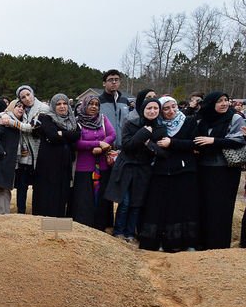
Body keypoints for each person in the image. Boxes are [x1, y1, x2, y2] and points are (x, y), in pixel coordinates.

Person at [138, 96, 199, 251]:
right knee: (158, 207)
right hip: (161, 171)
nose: (171, 111)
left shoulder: (188, 122)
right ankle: (157, 242)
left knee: (182, 207)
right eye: (166, 108)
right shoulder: (156, 126)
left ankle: (185, 243)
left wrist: (172, 143)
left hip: (184, 170)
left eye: (174, 106)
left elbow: (194, 144)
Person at [105, 97, 165, 244]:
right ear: (143, 110)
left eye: (155, 108)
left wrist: (148, 143)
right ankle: (119, 231)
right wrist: (143, 133)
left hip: (143, 170)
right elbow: (126, 146)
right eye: (149, 108)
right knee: (124, 202)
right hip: (126, 167)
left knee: (136, 203)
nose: (152, 111)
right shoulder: (131, 124)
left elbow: (162, 152)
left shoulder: (160, 129)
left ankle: (130, 233)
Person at [193, 91, 246, 249]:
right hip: (203, 168)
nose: (224, 103)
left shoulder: (234, 118)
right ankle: (202, 244)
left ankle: (219, 245)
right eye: (219, 101)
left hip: (226, 170)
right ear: (211, 104)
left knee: (221, 208)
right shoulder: (201, 119)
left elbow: (239, 139)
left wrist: (214, 141)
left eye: (226, 100)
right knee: (203, 206)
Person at [0, 85, 47, 213]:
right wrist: (2, 115)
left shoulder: (43, 108)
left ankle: (37, 211)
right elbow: (7, 112)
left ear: (33, 93)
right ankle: (21, 211)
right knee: (22, 185)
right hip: (23, 155)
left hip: (38, 152)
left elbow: (31, 127)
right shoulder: (23, 109)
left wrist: (11, 122)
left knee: (38, 185)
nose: (27, 99)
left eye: (28, 95)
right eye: (23, 97)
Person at [71, 95, 116, 230]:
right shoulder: (77, 122)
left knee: (101, 198)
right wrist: (97, 143)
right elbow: (77, 143)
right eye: (91, 104)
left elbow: (112, 134)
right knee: (84, 200)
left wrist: (102, 146)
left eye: (96, 104)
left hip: (102, 166)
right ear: (84, 105)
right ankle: (85, 227)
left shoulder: (102, 119)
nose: (94, 107)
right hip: (84, 167)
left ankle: (100, 226)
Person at [32, 93, 80, 217]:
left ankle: (57, 220)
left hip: (65, 164)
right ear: (53, 106)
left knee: (61, 194)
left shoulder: (72, 120)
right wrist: (67, 135)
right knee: (46, 194)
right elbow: (52, 136)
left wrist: (61, 134)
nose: (62, 106)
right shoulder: (46, 118)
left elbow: (77, 135)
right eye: (58, 104)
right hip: (48, 164)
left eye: (65, 103)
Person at [0, 100, 25, 214]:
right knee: (0, 187)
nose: (21, 109)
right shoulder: (5, 119)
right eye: (18, 106)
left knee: (6, 187)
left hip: (11, 160)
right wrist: (1, 153)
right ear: (12, 107)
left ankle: (5, 213)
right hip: (4, 159)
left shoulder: (17, 123)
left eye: (23, 107)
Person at [98, 69, 129, 149]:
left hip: (124, 147)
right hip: (105, 147)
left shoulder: (125, 101)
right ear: (104, 83)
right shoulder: (97, 102)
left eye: (116, 80)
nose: (114, 82)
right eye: (110, 80)